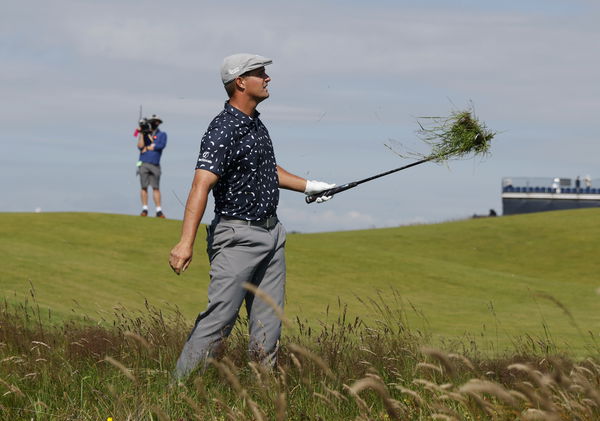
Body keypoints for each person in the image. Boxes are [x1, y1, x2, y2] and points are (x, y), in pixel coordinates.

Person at [168, 53, 335, 379]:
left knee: (267, 327)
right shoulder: (223, 129)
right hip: (237, 237)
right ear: (240, 82)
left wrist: (310, 186)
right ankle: (176, 396)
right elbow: (201, 184)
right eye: (260, 73)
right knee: (219, 322)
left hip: (272, 235)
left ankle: (261, 399)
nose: (267, 78)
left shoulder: (255, 124)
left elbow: (267, 170)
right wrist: (184, 243)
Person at [137, 115, 167, 218]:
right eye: (154, 121)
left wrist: (150, 146)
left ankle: (159, 210)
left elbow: (160, 145)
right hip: (143, 163)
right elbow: (140, 146)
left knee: (156, 187)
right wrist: (141, 132)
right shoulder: (144, 133)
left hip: (155, 164)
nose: (156, 123)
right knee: (144, 187)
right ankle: (144, 209)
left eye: (157, 121)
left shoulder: (162, 134)